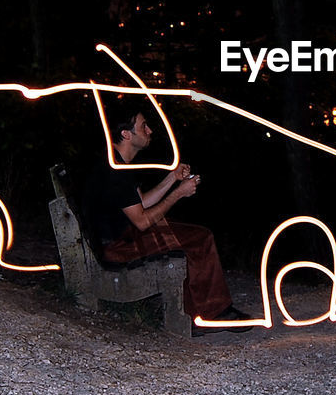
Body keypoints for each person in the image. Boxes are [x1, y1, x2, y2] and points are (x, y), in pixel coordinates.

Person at [83, 104, 251, 333]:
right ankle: (206, 316)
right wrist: (179, 193)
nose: (150, 130)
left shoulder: (116, 162)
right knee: (194, 241)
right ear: (126, 134)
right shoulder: (115, 171)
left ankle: (207, 312)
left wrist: (172, 178)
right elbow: (142, 221)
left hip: (121, 236)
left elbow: (141, 203)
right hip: (118, 246)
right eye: (143, 127)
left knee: (197, 235)